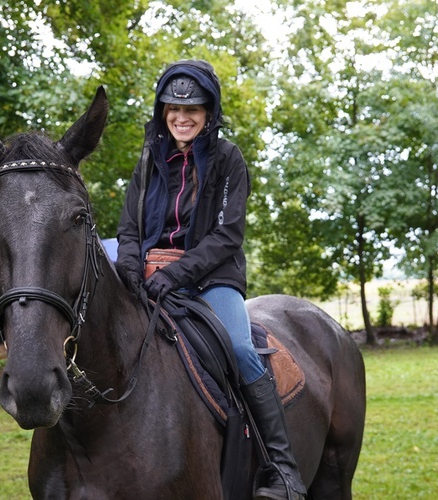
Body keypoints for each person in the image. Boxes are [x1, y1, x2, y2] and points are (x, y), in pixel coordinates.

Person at [116, 59, 306, 500]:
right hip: (148, 276)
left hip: (211, 278)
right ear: (162, 111)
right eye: (173, 109)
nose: (182, 118)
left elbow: (227, 235)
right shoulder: (148, 159)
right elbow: (129, 229)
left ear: (209, 113)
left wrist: (177, 272)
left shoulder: (228, 160)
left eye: (193, 110)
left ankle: (283, 471)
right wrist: (129, 267)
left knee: (240, 348)